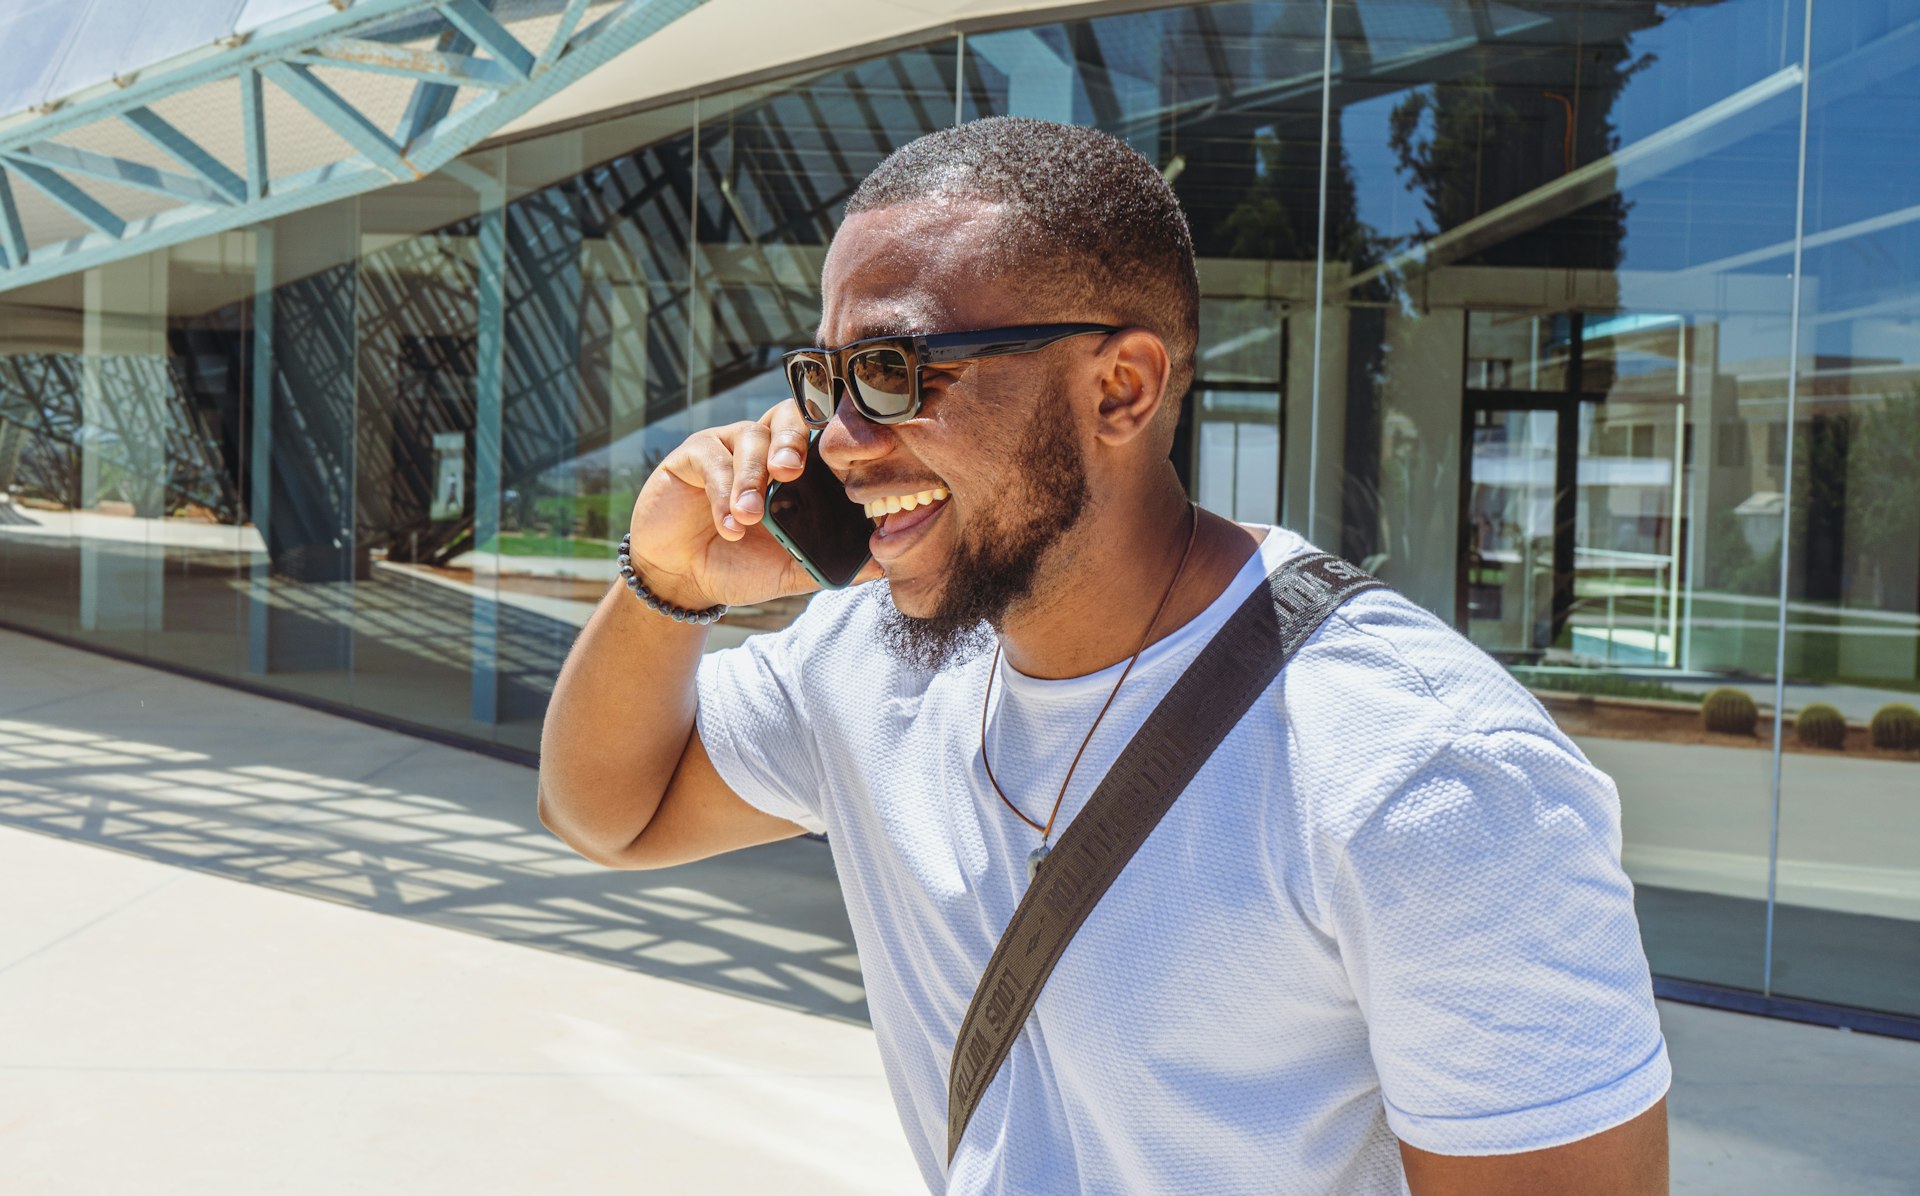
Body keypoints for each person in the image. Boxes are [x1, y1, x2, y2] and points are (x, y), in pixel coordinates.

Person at [538, 116, 1670, 1195]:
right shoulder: (867, 656)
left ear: (1119, 387)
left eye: (894, 370)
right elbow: (608, 813)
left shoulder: (1427, 774)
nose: (838, 440)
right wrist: (664, 589)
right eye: (827, 378)